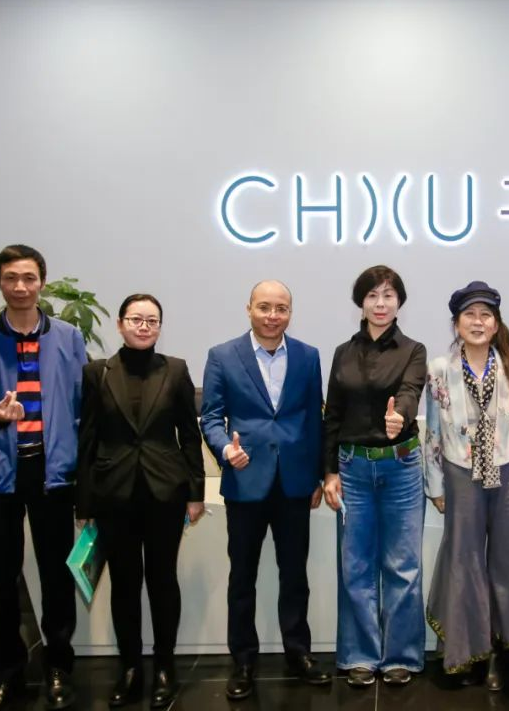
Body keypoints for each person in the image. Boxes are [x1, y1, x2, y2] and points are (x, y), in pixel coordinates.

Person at [0, 245, 85, 711]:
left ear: (42, 281)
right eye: (11, 278)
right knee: (0, 579)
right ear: (0, 283)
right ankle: (7, 674)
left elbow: (82, 402)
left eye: (29, 277)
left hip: (53, 474)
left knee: (56, 576)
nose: (21, 286)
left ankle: (58, 669)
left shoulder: (68, 337)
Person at [200, 280, 332, 700]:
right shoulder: (222, 355)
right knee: (243, 577)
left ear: (290, 312)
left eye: (281, 308)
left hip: (294, 483)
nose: (273, 316)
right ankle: (243, 661)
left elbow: (314, 418)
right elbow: (211, 417)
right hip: (245, 482)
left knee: (295, 575)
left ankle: (299, 653)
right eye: (264, 307)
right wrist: (225, 449)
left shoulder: (309, 356)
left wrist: (317, 475)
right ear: (249, 309)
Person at [75, 294, 205, 708]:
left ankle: (165, 666)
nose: (144, 326)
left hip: (165, 492)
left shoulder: (176, 369)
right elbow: (87, 438)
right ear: (120, 324)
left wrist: (196, 493)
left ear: (160, 327)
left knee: (163, 580)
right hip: (113, 494)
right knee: (124, 584)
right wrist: (84, 502)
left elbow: (189, 435)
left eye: (152, 320)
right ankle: (130, 668)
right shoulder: (97, 372)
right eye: (136, 319)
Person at [424, 281, 509, 690]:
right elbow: (434, 430)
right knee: (465, 559)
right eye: (469, 315)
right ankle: (465, 651)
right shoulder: (440, 368)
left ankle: (505, 650)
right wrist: (436, 484)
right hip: (460, 472)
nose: (477, 322)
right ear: (456, 323)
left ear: (496, 323)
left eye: (485, 315)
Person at [321, 265, 428, 688]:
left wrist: (400, 416)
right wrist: (329, 471)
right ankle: (361, 655)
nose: (380, 304)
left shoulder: (414, 350)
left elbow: (411, 391)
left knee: (403, 565)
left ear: (399, 302)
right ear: (360, 303)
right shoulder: (342, 353)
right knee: (356, 566)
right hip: (352, 469)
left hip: (400, 466)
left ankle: (400, 656)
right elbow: (332, 415)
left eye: (388, 295)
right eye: (372, 295)